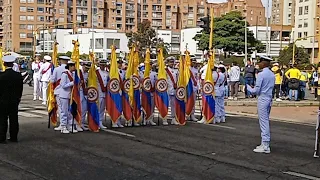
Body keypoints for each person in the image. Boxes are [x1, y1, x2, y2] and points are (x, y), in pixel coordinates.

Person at [247, 55, 275, 154]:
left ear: (264, 63)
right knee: (265, 120)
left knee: (263, 122)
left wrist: (248, 88)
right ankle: (264, 143)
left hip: (262, 98)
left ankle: (265, 145)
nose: (259, 64)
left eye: (260, 62)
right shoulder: (272, 74)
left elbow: (256, 90)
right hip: (269, 98)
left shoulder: (262, 75)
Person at [0, 55, 23, 143]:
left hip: (2, 100)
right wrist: (18, 98)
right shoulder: (18, 75)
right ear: (13, 64)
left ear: (4, 64)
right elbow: (20, 89)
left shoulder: (1, 76)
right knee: (14, 119)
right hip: (14, 100)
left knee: (2, 119)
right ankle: (14, 137)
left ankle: (2, 138)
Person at [50, 56, 69, 131]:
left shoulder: (57, 69)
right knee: (67, 109)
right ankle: (66, 124)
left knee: (61, 109)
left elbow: (53, 80)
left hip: (59, 91)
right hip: (68, 91)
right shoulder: (69, 69)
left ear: (61, 61)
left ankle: (63, 124)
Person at [59, 61, 77, 134]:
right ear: (70, 66)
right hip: (64, 95)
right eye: (73, 66)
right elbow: (63, 85)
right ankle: (63, 126)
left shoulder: (72, 74)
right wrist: (72, 83)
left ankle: (69, 125)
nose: (74, 68)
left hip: (70, 95)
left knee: (70, 112)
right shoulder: (65, 74)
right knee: (64, 111)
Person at [165, 57, 178, 125]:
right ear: (168, 62)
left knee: (173, 105)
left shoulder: (176, 70)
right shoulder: (165, 70)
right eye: (170, 62)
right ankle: (165, 119)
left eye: (173, 62)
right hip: (167, 90)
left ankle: (173, 118)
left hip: (174, 90)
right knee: (166, 105)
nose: (172, 63)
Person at [96, 59, 108, 129]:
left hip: (104, 93)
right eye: (101, 65)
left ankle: (100, 122)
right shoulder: (96, 72)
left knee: (102, 109)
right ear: (99, 65)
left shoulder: (107, 73)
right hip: (98, 92)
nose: (103, 66)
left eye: (104, 65)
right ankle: (96, 122)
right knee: (98, 108)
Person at [189, 57, 199, 122]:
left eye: (195, 62)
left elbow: (197, 78)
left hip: (194, 87)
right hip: (189, 87)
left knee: (193, 102)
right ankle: (187, 114)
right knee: (188, 101)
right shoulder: (188, 69)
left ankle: (192, 114)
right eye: (193, 62)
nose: (194, 63)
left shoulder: (196, 69)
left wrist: (198, 87)